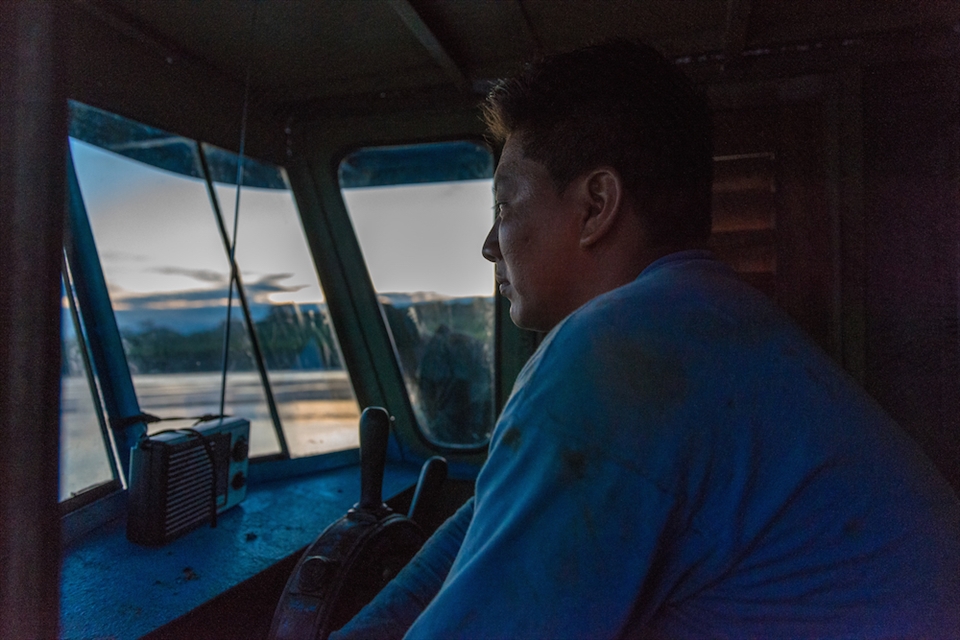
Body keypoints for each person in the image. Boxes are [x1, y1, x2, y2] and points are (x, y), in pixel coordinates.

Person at [332, 39, 960, 639]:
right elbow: (482, 525)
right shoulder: (709, 327)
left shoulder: (614, 358)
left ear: (597, 204)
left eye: (504, 208)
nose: (490, 244)